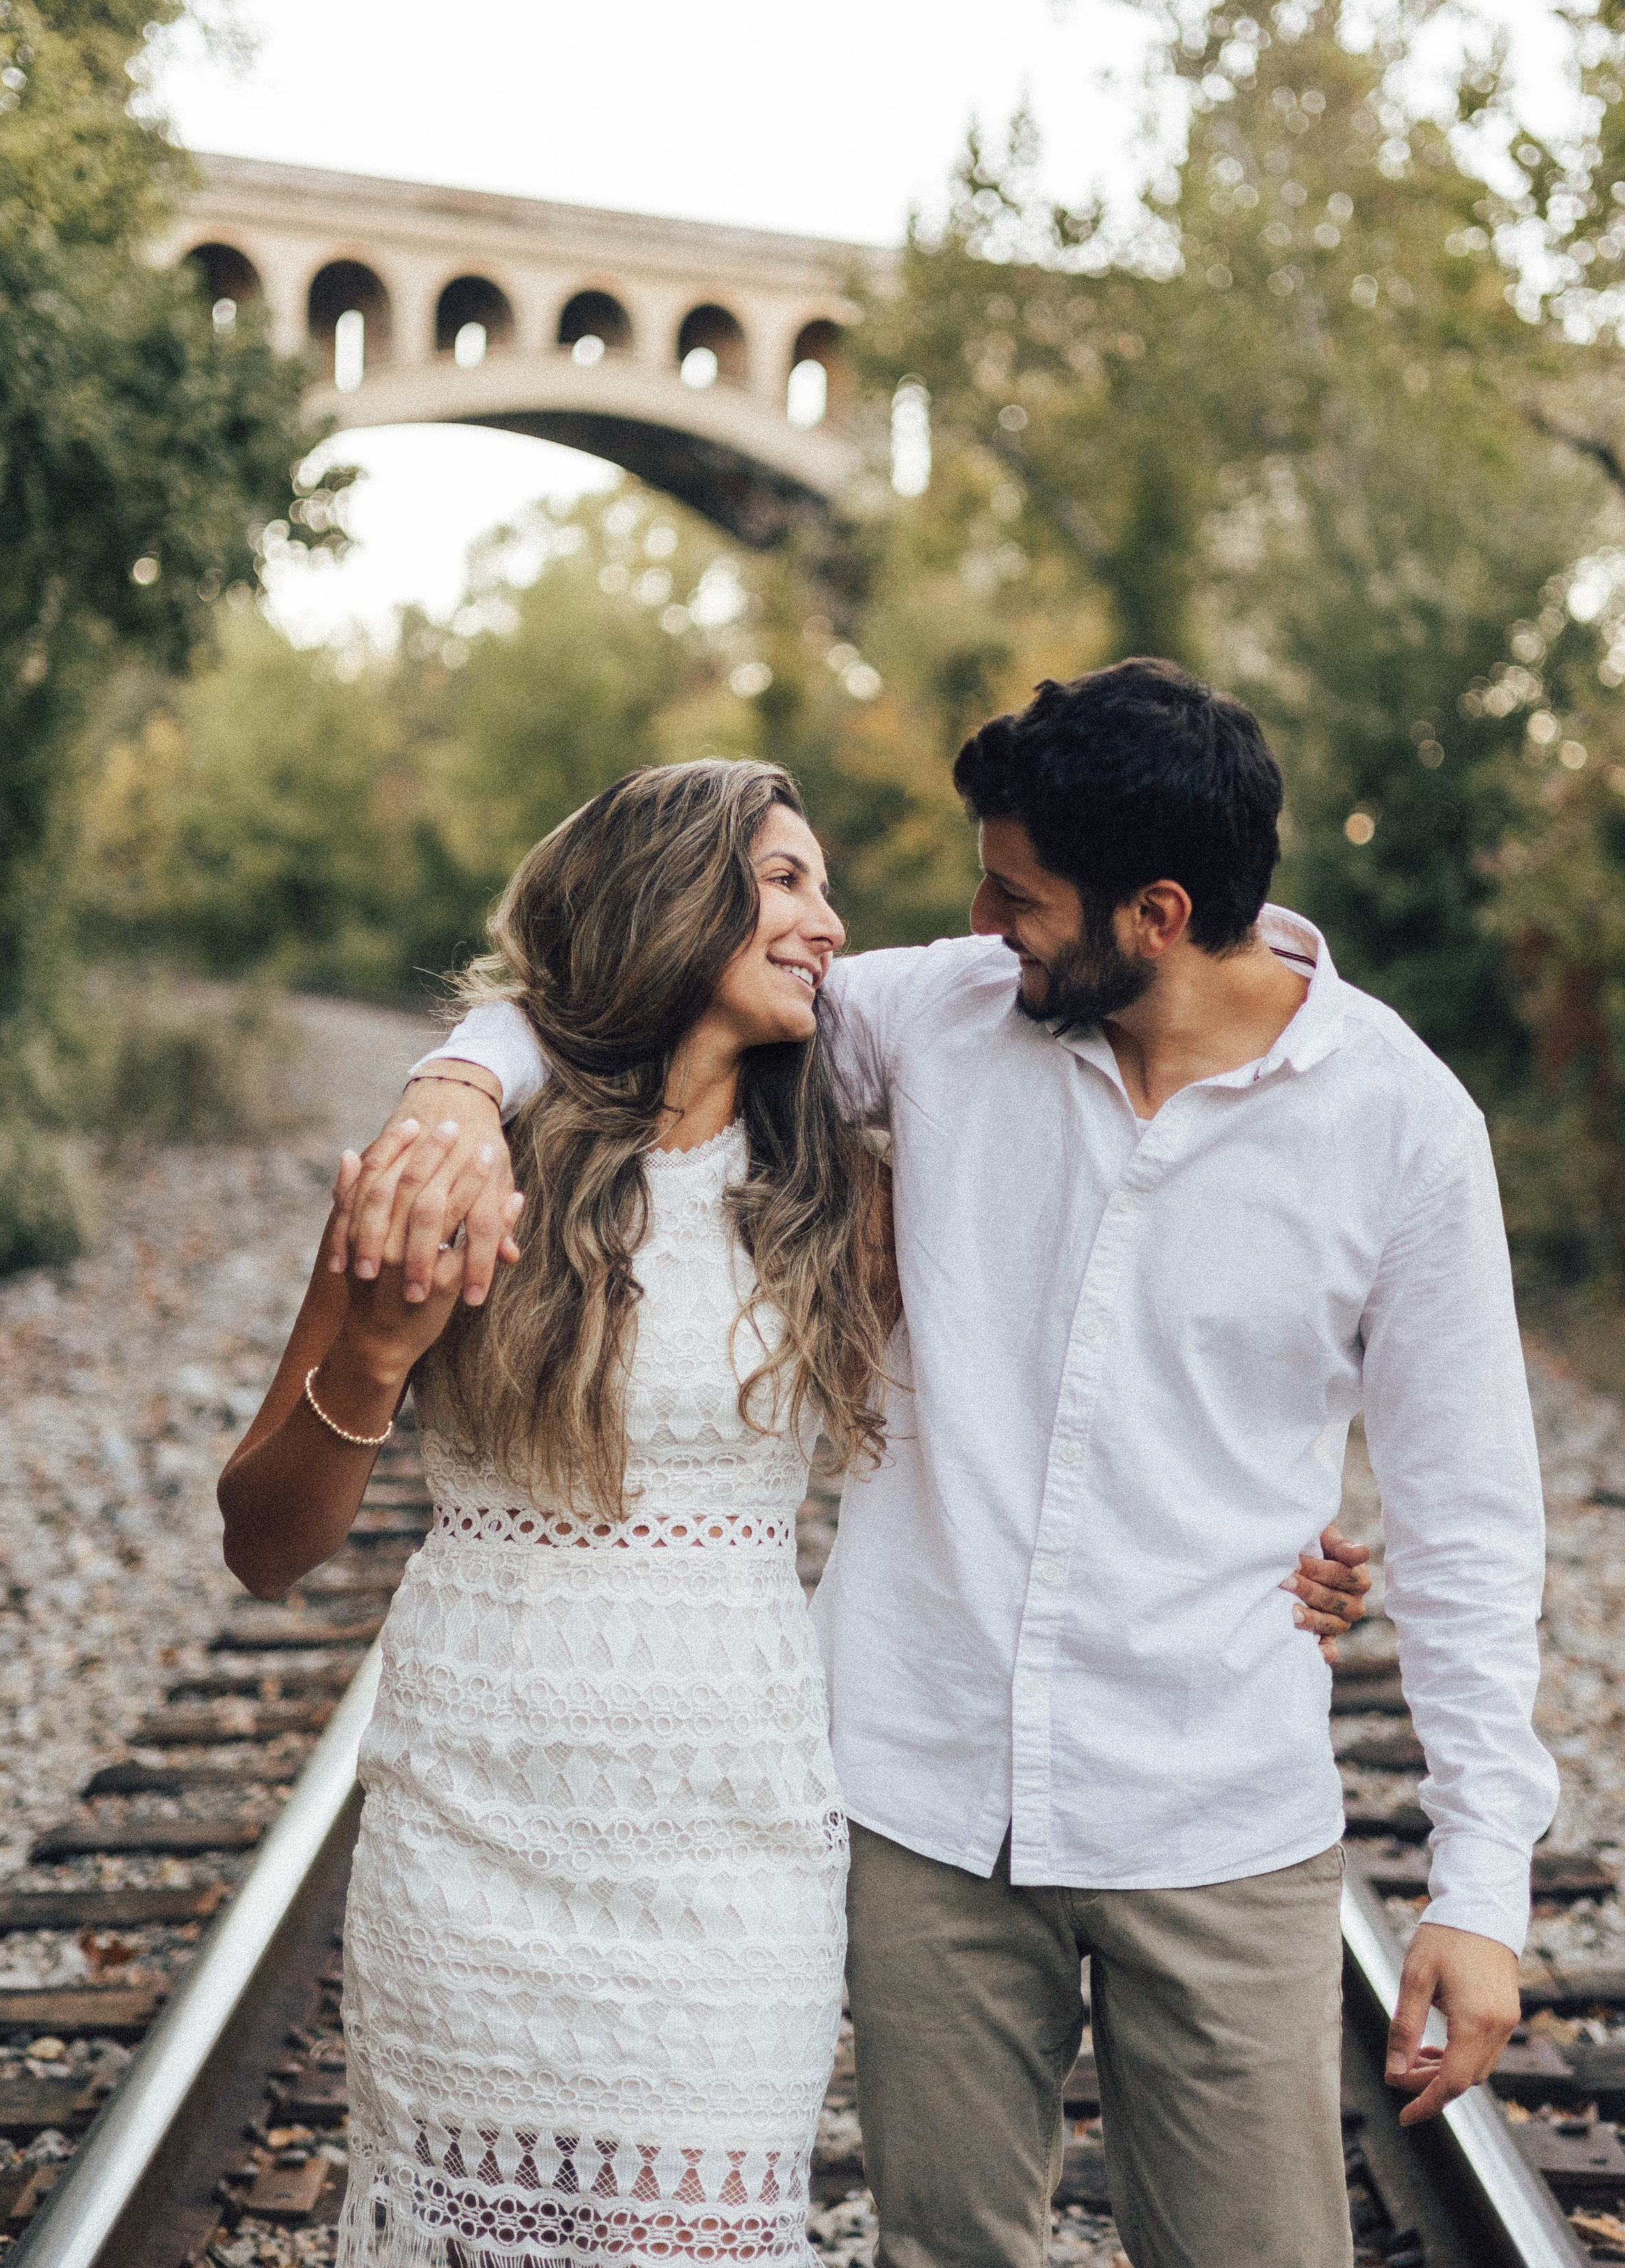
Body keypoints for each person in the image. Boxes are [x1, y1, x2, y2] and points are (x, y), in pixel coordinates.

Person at [347, 662, 1543, 2268]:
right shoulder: (938, 1021)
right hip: (919, 1791)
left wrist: (1477, 1889)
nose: (978, 918)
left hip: (1211, 1803)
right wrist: (458, 1076)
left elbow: (1469, 1517)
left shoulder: (1399, 1126)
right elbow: (631, 982)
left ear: (1157, 911)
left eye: (1018, 892)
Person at [217, 761, 901, 2268]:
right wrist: (379, 1358)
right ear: (670, 899)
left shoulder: (838, 1193)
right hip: (474, 1821)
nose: (828, 923)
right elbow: (264, 1543)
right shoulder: (451, 1173)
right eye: (785, 879)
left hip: (734, 1841)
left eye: (824, 887)